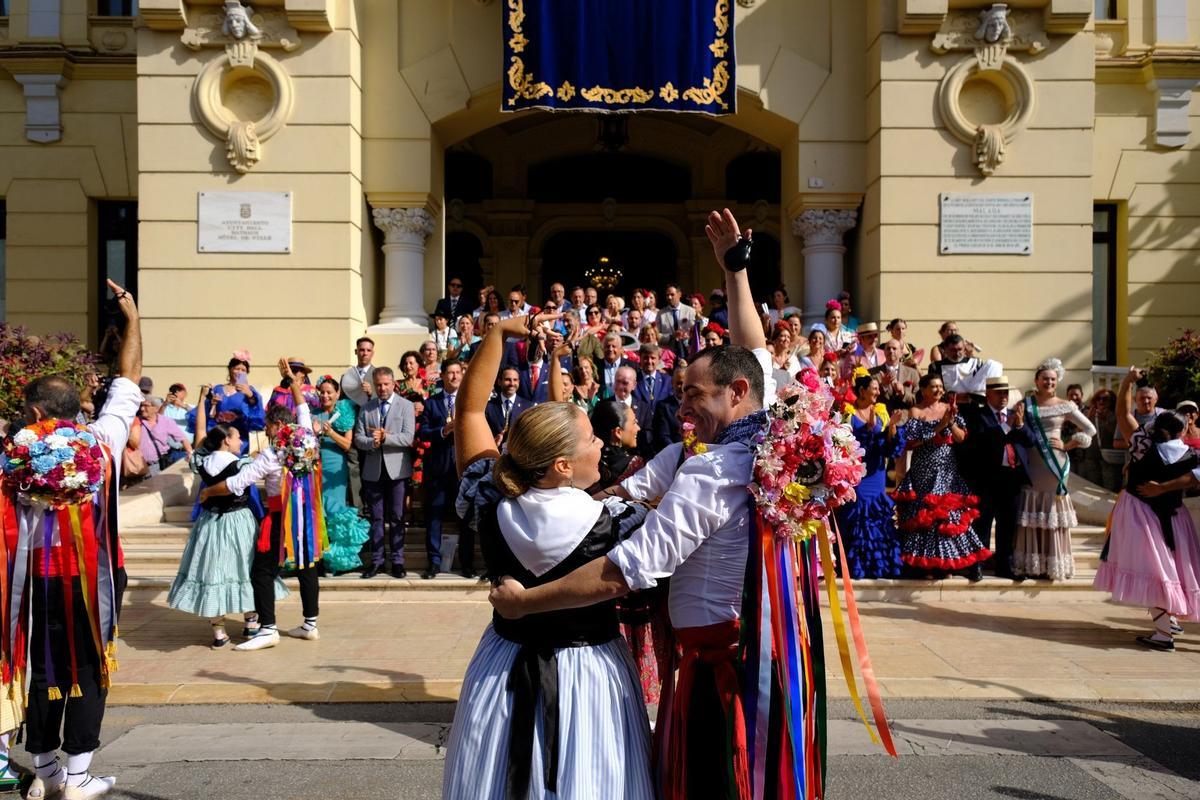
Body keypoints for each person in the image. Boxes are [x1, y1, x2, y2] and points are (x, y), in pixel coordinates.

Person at [489, 208, 793, 798]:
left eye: (693, 395)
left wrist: (526, 605)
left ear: (734, 396)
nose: (682, 407)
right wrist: (736, 269)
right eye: (679, 393)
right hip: (763, 656)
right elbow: (751, 357)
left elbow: (624, 571)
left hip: (719, 675)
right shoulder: (770, 434)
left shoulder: (711, 472)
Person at [442, 309, 655, 800]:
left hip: (503, 665)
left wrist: (496, 334)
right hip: (590, 672)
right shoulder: (617, 524)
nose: (601, 442)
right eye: (591, 439)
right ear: (563, 465)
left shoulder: (491, 498)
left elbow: (470, 413)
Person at [7, 279, 139, 800]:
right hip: (95, 577)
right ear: (74, 409)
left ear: (36, 415)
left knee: (40, 665)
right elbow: (128, 376)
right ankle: (79, 772)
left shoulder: (14, 457)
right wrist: (133, 319)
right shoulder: (102, 440)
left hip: (32, 578)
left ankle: (45, 768)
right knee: (89, 665)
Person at [201, 360, 326, 650]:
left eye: (268, 423)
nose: (265, 428)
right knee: (307, 566)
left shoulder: (271, 454)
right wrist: (291, 381)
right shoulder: (306, 436)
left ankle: (268, 629)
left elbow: (237, 483)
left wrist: (209, 492)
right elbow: (303, 408)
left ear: (278, 425)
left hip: (281, 517)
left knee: (262, 571)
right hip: (306, 515)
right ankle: (310, 624)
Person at [168, 386, 285, 647]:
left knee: (213, 570)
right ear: (226, 441)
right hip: (238, 520)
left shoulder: (202, 461)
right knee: (246, 567)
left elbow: (200, 435)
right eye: (235, 437)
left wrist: (201, 402)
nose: (240, 441)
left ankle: (219, 631)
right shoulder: (240, 463)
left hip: (210, 522)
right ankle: (251, 622)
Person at [1094, 367, 1200, 651]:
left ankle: (1164, 632)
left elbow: (1121, 413)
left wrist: (1128, 380)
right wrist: (1166, 488)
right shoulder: (1191, 453)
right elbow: (1195, 477)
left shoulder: (1143, 444)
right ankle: (1169, 622)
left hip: (1140, 513)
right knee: (1172, 570)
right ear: (1183, 430)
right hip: (1175, 517)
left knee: (1151, 570)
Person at [894, 373, 991, 580]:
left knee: (948, 515)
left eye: (940, 386)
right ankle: (925, 564)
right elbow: (911, 442)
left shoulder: (950, 409)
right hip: (923, 469)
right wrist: (938, 427)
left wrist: (951, 423)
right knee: (925, 515)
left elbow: (961, 437)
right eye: (934, 386)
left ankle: (948, 563)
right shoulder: (915, 410)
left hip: (946, 468)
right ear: (923, 389)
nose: (939, 390)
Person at [1012, 357, 1096, 581]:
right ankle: (1034, 563)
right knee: (1033, 508)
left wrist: (1068, 444)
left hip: (1054, 463)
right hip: (1032, 462)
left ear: (1057, 381)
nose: (1049, 382)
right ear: (1037, 381)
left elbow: (1090, 429)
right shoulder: (1027, 404)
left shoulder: (1065, 405)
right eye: (1044, 379)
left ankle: (1053, 562)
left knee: (1052, 511)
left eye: (1052, 379)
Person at [959, 376, 1032, 579]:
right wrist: (1007, 427)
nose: (1003, 397)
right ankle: (976, 564)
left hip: (1011, 478)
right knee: (982, 523)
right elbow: (982, 441)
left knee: (1007, 524)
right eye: (999, 392)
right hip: (987, 478)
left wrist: (1019, 426)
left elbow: (1030, 440)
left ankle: (1004, 565)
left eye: (1006, 393)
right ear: (988, 394)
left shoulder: (1014, 415)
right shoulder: (977, 415)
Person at [835, 374, 906, 578]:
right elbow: (844, 443)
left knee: (875, 513)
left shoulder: (882, 413)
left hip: (876, 473)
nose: (877, 392)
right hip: (857, 473)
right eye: (873, 388)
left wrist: (891, 426)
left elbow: (888, 446)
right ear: (862, 391)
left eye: (878, 389)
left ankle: (877, 565)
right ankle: (855, 565)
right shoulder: (848, 414)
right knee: (857, 511)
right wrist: (866, 430)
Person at [353, 367, 416, 579]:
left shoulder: (405, 406)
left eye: (386, 384)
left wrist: (386, 438)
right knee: (376, 518)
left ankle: (398, 561)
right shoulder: (366, 408)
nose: (382, 388)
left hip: (397, 470)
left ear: (393, 384)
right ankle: (377, 561)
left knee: (397, 517)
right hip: (373, 471)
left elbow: (408, 437)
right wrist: (373, 442)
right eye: (378, 384)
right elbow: (358, 439)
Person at [312, 376, 370, 574]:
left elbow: (347, 444)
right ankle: (319, 558)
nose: (326, 395)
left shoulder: (344, 413)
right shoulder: (313, 415)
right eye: (323, 391)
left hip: (335, 468)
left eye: (330, 392)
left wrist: (330, 433)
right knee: (319, 512)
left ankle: (336, 561)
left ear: (337, 394)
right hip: (315, 468)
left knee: (335, 511)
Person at [417, 360, 464, 579]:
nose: (454, 377)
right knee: (434, 516)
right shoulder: (432, 403)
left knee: (464, 516)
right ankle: (433, 563)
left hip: (462, 469)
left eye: (458, 373)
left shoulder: (468, 402)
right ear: (443, 376)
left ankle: (466, 563)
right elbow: (424, 432)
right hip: (438, 469)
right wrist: (443, 431)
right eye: (450, 373)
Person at [190, 352, 264, 455]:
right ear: (230, 369)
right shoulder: (217, 389)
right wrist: (212, 403)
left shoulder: (250, 391)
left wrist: (250, 395)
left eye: (243, 370)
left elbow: (256, 411)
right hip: (219, 436)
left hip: (239, 437)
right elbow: (206, 414)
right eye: (237, 369)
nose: (239, 372)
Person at [137, 396, 191, 473]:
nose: (142, 408)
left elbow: (183, 438)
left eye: (146, 406)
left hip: (156, 466)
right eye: (141, 405)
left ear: (156, 408)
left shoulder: (166, 421)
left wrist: (190, 452)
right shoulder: (135, 421)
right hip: (137, 466)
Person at [1113, 383, 1166, 455]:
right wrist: (1140, 443)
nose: (1146, 401)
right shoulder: (1127, 418)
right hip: (1134, 463)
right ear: (1135, 400)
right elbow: (1116, 443)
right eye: (1142, 398)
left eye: (1149, 398)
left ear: (1156, 399)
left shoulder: (1164, 415)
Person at [484, 367, 531, 447]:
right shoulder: (488, 406)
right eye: (508, 380)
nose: (512, 384)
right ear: (499, 382)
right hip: (495, 454)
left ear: (519, 382)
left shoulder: (528, 407)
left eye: (515, 380)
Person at [870, 338, 920, 412]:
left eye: (894, 348)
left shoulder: (912, 373)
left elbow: (918, 401)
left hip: (905, 419)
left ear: (901, 353)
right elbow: (869, 399)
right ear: (884, 352)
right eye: (888, 348)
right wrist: (883, 386)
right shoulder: (873, 373)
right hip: (882, 419)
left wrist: (903, 392)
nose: (891, 351)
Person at [650, 366, 685, 455]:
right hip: (672, 454)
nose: (681, 387)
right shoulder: (663, 406)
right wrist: (679, 453)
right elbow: (663, 436)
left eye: (684, 383)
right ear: (672, 383)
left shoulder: (696, 405)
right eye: (679, 383)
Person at [633, 343, 671, 412]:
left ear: (659, 360)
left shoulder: (667, 381)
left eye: (653, 358)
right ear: (640, 359)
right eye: (645, 358)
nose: (649, 361)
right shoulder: (633, 380)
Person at [340, 337, 376, 408]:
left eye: (368, 350)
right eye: (362, 350)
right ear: (356, 351)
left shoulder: (379, 375)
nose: (365, 353)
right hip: (350, 417)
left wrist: (371, 393)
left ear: (372, 353)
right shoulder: (345, 377)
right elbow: (341, 400)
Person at [596, 333, 634, 400]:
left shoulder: (631, 366)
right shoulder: (596, 366)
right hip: (603, 405)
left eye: (614, 346)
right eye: (607, 346)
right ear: (603, 349)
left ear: (620, 349)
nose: (610, 349)